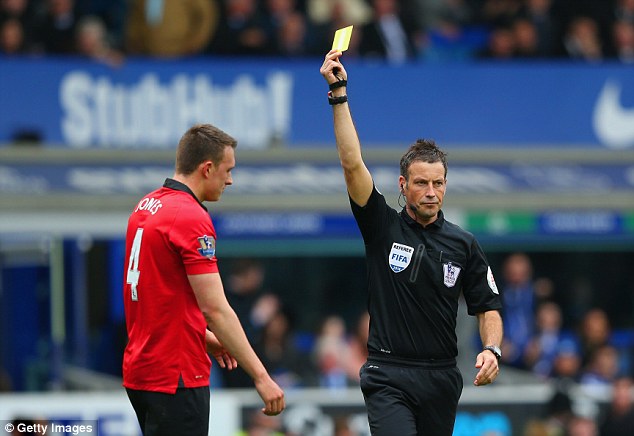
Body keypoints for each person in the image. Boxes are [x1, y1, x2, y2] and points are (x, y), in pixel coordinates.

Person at [320, 50, 504, 435]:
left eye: (438, 183)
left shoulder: (463, 243)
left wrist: (492, 349)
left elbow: (488, 307)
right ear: (403, 185)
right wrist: (339, 95)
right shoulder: (381, 225)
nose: (431, 192)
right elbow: (352, 164)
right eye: (421, 183)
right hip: (388, 373)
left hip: (441, 376)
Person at [122, 124, 285, 436]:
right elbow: (216, 309)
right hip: (176, 376)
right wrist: (261, 376)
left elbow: (157, 294)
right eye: (228, 170)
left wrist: (199, 334)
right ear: (207, 168)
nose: (230, 180)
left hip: (141, 370)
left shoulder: (146, 206)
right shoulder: (190, 216)